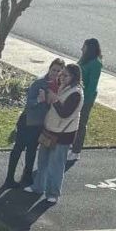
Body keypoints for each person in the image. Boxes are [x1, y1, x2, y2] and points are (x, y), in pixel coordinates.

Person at [29, 62, 83, 205]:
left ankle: (53, 193)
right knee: (42, 161)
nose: (62, 77)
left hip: (62, 134)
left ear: (74, 77)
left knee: (56, 165)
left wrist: (54, 99)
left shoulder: (76, 93)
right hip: (50, 129)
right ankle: (38, 187)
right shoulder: (61, 87)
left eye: (66, 75)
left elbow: (65, 113)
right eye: (61, 74)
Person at [6, 58, 62, 188]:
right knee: (18, 149)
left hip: (40, 125)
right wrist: (39, 99)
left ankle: (27, 176)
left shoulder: (59, 87)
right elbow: (29, 103)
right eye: (54, 69)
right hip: (27, 122)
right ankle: (9, 178)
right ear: (49, 69)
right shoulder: (39, 83)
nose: (55, 73)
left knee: (32, 150)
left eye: (59, 71)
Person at [73, 39, 103, 159]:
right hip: (77, 94)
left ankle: (76, 151)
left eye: (84, 47)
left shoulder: (96, 64)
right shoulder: (84, 59)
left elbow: (92, 85)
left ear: (89, 48)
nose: (81, 49)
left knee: (81, 123)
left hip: (86, 98)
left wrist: (85, 101)